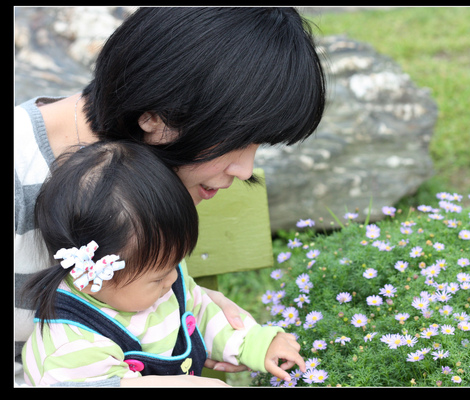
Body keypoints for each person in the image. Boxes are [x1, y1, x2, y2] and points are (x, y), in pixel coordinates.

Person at [14, 6, 326, 384]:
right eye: (240, 139)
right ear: (155, 115)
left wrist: (176, 308)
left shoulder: (151, 183)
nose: (245, 170)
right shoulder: (21, 173)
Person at [21, 141, 306, 387]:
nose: (172, 280)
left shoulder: (156, 281)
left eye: (176, 263)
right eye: (158, 278)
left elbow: (201, 312)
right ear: (94, 276)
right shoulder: (72, 344)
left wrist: (255, 344)